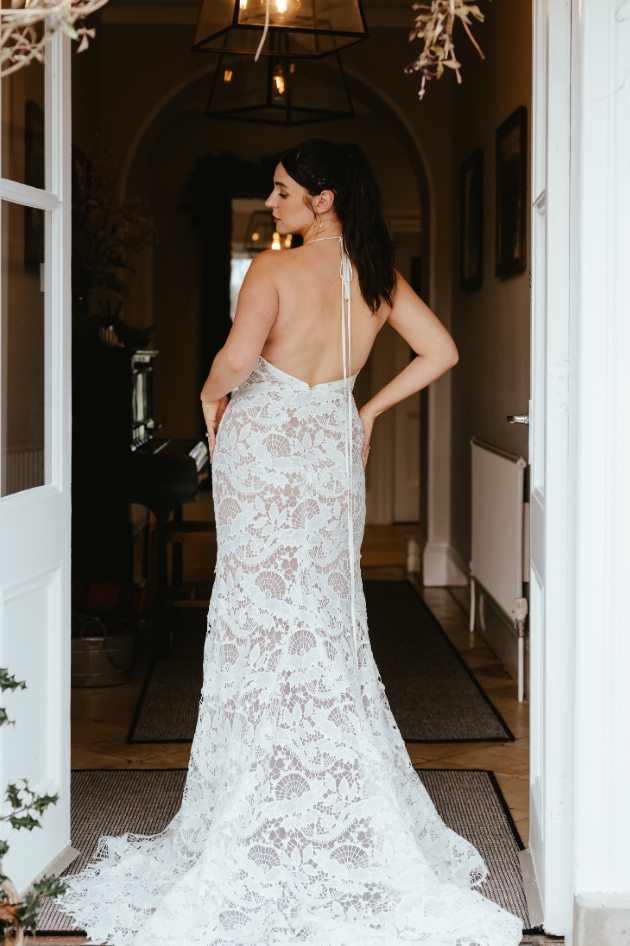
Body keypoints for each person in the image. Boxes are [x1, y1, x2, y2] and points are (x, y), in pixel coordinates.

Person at [60, 139, 522, 945]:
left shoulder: (274, 272)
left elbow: (237, 362)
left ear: (326, 198)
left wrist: (207, 402)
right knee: (327, 616)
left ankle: (263, 789)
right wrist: (367, 411)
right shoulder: (377, 279)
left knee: (259, 615)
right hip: (333, 452)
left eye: (281, 192)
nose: (271, 205)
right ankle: (327, 791)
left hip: (267, 448)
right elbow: (441, 350)